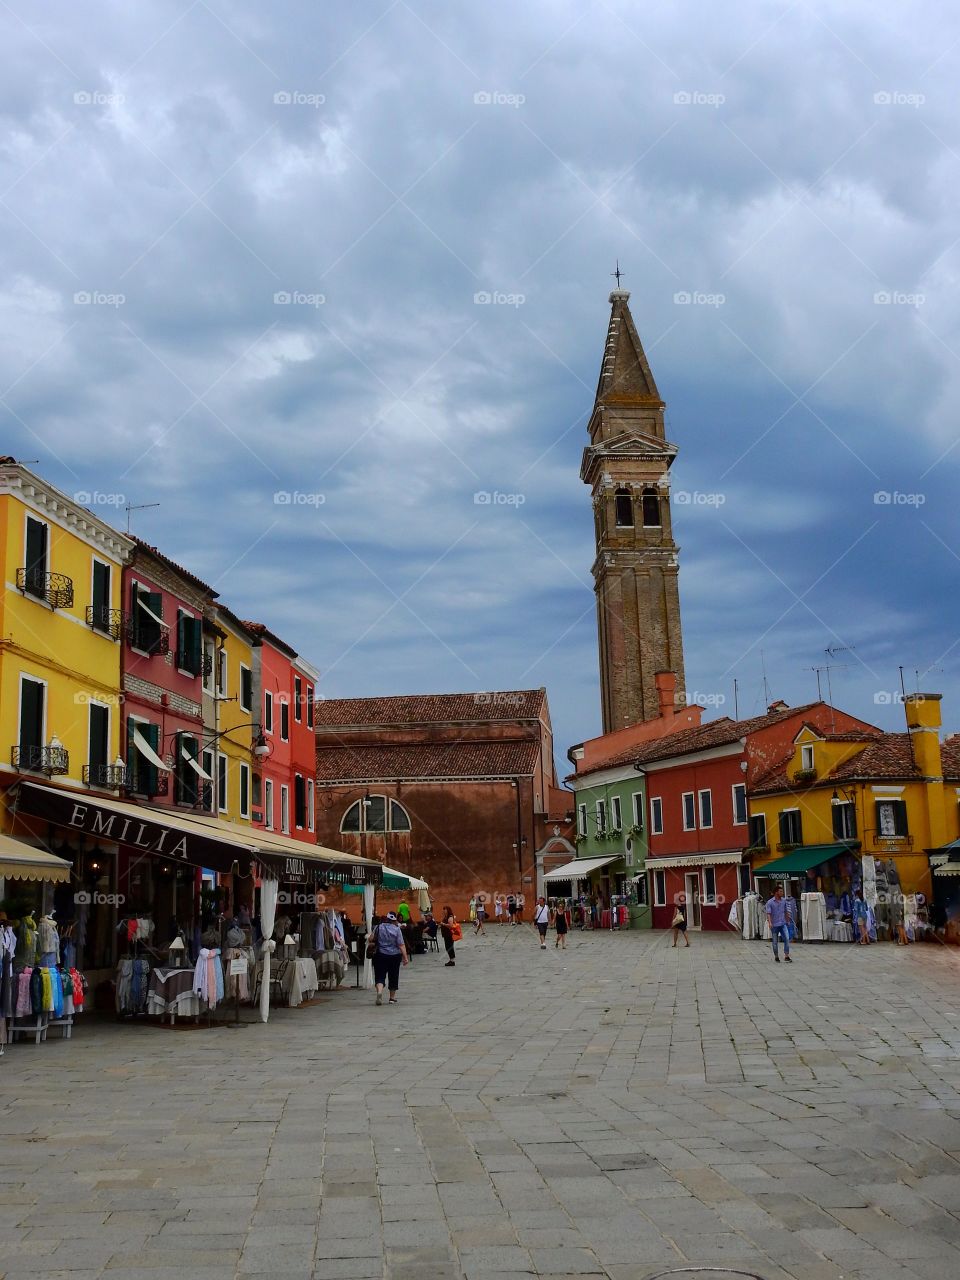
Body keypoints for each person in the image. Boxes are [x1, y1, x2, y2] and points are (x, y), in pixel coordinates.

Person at [371, 912, 408, 1005]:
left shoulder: (378, 927)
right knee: (393, 975)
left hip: (380, 955)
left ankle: (379, 992)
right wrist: (405, 957)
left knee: (380, 975)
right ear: (394, 920)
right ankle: (392, 998)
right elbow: (401, 944)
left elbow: (371, 938)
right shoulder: (397, 929)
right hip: (394, 956)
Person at [766, 885, 793, 962]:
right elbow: (768, 913)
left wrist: (788, 921)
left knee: (787, 938)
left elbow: (786, 911)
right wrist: (770, 923)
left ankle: (786, 955)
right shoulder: (770, 902)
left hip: (783, 923)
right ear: (776, 892)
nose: (782, 893)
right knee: (775, 941)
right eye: (780, 891)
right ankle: (776, 956)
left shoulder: (784, 901)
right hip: (774, 925)